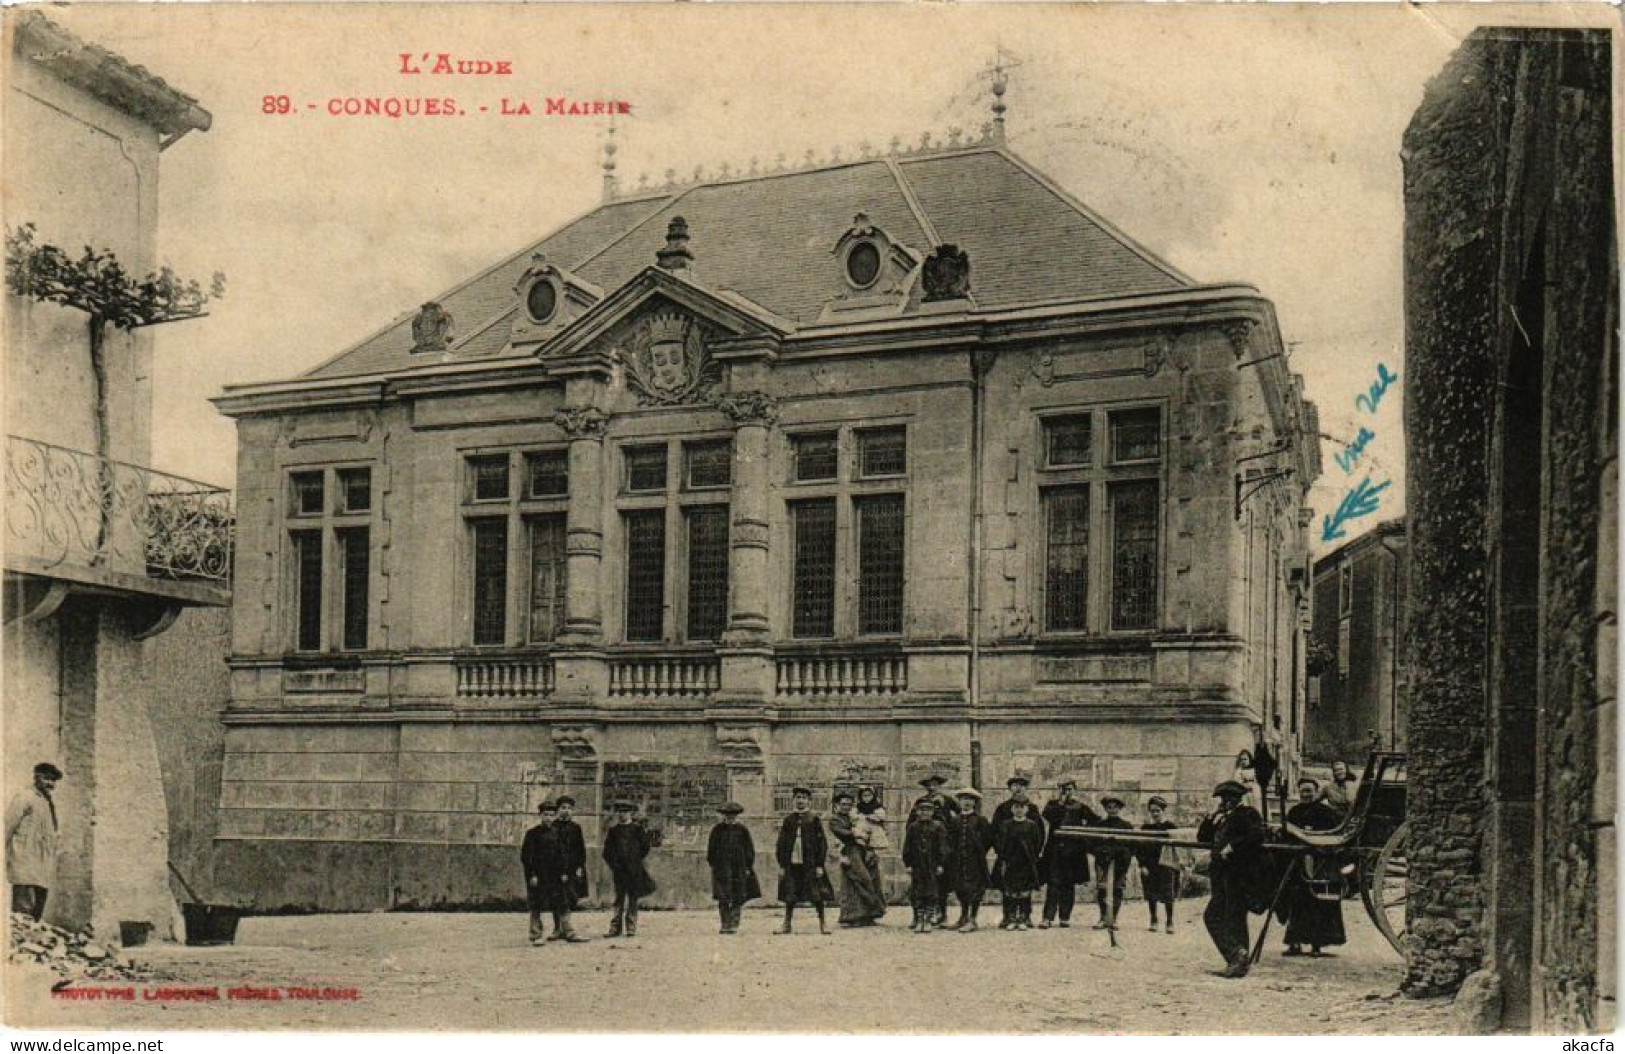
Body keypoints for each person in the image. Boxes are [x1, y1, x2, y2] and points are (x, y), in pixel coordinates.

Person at [1198, 779, 1266, 978]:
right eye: (1223, 798)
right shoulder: (1221, 818)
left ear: (1238, 798)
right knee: (1219, 915)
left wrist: (1234, 846)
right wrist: (1210, 817)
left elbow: (1257, 835)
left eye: (1230, 798)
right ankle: (1237, 958)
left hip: (1239, 873)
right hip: (1220, 873)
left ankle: (1237, 958)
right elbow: (1202, 838)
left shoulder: (1248, 814)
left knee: (1229, 916)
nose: (1226, 801)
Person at [1281, 778, 1347, 957]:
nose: (1306, 795)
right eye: (1303, 791)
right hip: (1298, 863)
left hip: (1320, 863)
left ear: (1316, 792)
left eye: (1310, 791)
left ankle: (1317, 944)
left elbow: (1333, 836)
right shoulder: (1294, 812)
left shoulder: (1326, 812)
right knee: (1297, 902)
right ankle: (1295, 943)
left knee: (1319, 901)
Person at [1039, 779, 1098, 928]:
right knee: (1053, 884)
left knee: (1068, 885)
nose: (1067, 792)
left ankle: (1065, 917)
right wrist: (1061, 803)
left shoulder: (1080, 807)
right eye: (1063, 789)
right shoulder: (1052, 805)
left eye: (1070, 789)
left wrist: (1084, 836)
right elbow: (1048, 816)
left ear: (1075, 790)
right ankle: (1047, 918)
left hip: (1073, 853)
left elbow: (1095, 820)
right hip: (1055, 852)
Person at [7, 763, 61, 921]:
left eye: (53, 780)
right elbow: (6, 827)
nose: (50, 783)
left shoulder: (47, 803)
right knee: (23, 916)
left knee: (36, 916)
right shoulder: (25, 797)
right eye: (46, 778)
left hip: (41, 869)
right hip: (24, 866)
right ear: (36, 777)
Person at [775, 786, 832, 935]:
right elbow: (781, 843)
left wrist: (819, 865)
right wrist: (782, 864)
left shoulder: (814, 819)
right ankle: (786, 924)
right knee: (790, 894)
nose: (800, 800)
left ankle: (823, 923)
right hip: (792, 863)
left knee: (816, 894)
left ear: (809, 801)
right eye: (798, 797)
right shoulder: (788, 820)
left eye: (804, 798)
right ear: (794, 800)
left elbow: (822, 844)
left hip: (810, 863)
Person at [830, 790, 886, 927]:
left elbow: (872, 829)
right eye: (843, 804)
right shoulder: (835, 819)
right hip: (849, 852)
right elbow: (841, 833)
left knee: (872, 879)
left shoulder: (855, 816)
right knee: (859, 880)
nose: (846, 807)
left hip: (864, 850)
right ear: (837, 805)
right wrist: (856, 834)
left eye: (849, 804)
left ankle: (869, 915)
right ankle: (851, 916)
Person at [991, 776, 1041, 927]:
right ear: (1010, 788)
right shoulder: (1003, 808)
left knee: (1026, 887)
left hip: (1026, 857)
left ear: (1026, 788)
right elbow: (994, 831)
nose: (1018, 788)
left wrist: (1034, 853)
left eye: (1022, 786)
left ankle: (1026, 917)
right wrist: (1000, 852)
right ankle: (1008, 916)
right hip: (1008, 855)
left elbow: (1039, 834)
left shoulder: (1032, 808)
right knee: (1007, 887)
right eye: (1014, 785)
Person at [521, 800, 572, 945]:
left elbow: (563, 855)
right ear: (540, 815)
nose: (548, 818)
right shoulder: (532, 834)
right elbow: (526, 857)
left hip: (554, 875)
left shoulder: (558, 834)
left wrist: (564, 872)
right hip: (538, 875)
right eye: (545, 815)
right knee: (536, 904)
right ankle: (536, 934)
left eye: (551, 815)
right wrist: (532, 875)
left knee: (561, 902)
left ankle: (567, 930)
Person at [603, 800, 657, 938]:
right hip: (619, 871)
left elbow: (645, 847)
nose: (622, 814)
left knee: (633, 899)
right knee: (619, 899)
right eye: (620, 811)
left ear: (631, 813)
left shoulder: (637, 830)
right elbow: (607, 852)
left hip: (634, 871)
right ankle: (615, 927)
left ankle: (631, 926)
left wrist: (635, 860)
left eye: (626, 812)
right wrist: (615, 865)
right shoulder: (613, 831)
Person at [707, 802, 760, 934]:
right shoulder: (717, 830)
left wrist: (748, 866)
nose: (730, 818)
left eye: (733, 815)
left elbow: (749, 849)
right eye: (727, 815)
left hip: (739, 868)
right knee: (723, 896)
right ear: (723, 816)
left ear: (737, 816)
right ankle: (725, 923)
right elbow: (711, 850)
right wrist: (714, 864)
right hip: (722, 868)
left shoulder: (742, 830)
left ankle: (734, 923)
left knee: (738, 896)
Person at [946, 787, 994, 932]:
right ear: (959, 802)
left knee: (975, 889)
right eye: (963, 799)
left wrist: (978, 851)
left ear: (974, 802)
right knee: (960, 888)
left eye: (970, 799)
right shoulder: (954, 820)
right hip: (958, 860)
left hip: (976, 861)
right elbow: (950, 839)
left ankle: (972, 919)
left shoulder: (980, 820)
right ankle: (963, 916)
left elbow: (988, 839)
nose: (966, 802)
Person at [902, 798, 950, 933]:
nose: (925, 813)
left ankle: (928, 919)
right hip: (917, 865)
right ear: (917, 812)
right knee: (917, 891)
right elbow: (907, 847)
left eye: (928, 810)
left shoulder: (938, 826)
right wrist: (908, 863)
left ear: (933, 812)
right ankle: (919, 918)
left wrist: (941, 863)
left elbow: (943, 847)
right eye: (922, 810)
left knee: (931, 892)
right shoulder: (913, 827)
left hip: (932, 865)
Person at [1137, 794, 1180, 934]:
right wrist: (1142, 865)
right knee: (1151, 893)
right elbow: (1140, 849)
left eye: (1158, 811)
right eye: (1152, 811)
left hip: (1167, 865)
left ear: (1163, 811)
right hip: (1151, 865)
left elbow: (1178, 847)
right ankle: (1153, 919)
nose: (1155, 813)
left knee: (1168, 893)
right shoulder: (1146, 828)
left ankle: (1169, 921)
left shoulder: (1171, 827)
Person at [1091, 795, 1135, 930]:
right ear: (1105, 809)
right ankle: (1103, 917)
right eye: (1109, 807)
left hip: (1120, 863)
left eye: (1115, 807)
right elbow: (1092, 844)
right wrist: (1102, 852)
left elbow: (1131, 846)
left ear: (1119, 809)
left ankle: (1113, 918)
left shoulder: (1126, 826)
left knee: (1117, 889)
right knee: (1102, 889)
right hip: (1103, 862)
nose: (1112, 810)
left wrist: (1120, 853)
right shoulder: (1099, 825)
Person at [551, 795, 589, 940]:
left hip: (573, 869)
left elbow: (581, 849)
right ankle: (559, 929)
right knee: (558, 898)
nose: (566, 811)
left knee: (569, 897)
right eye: (563, 808)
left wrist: (580, 866)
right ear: (558, 810)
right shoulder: (553, 827)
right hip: (556, 870)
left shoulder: (576, 828)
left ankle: (564, 928)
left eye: (569, 808)